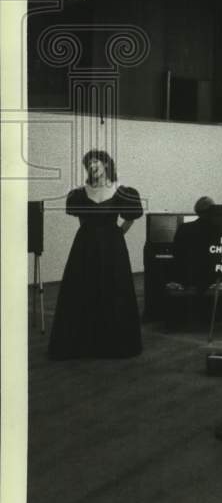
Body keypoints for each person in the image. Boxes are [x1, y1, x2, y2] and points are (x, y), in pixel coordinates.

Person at [48, 150, 143, 360]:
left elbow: (129, 218)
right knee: (83, 288)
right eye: (89, 164)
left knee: (113, 289)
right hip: (85, 246)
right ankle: (82, 343)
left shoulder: (122, 191)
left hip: (113, 247)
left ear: (106, 165)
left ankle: (112, 343)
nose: (92, 167)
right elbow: (82, 219)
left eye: (96, 163)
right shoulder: (79, 194)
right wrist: (92, 236)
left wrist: (116, 234)